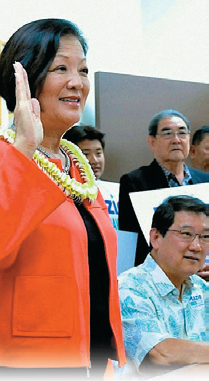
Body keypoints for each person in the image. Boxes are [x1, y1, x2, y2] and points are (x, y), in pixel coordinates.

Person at [0, 19, 126, 380]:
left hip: (88, 358)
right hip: (14, 362)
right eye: (60, 68)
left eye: (83, 70)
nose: (77, 82)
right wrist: (26, 147)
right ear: (27, 78)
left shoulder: (77, 167)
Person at [118, 195, 209, 378]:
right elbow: (159, 353)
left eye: (205, 237)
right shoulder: (130, 287)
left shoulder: (201, 287)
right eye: (186, 234)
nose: (196, 246)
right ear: (156, 237)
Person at [118, 109, 209, 267]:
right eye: (167, 133)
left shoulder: (205, 180)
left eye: (182, 133)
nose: (176, 140)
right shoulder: (135, 181)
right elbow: (132, 241)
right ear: (152, 142)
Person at [63, 125, 119, 229]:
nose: (94, 160)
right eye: (86, 154)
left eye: (98, 153)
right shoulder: (65, 193)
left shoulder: (117, 191)